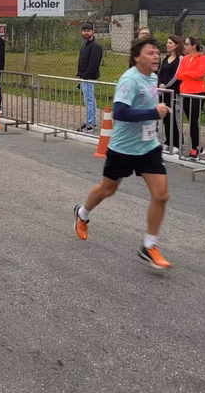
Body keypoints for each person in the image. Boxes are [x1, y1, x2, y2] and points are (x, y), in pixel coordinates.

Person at [73, 36, 173, 270]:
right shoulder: (129, 80)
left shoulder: (152, 77)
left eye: (157, 52)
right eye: (150, 52)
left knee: (161, 195)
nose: (156, 56)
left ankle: (149, 245)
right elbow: (119, 112)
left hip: (148, 146)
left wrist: (155, 112)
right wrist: (153, 113)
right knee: (108, 189)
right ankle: (82, 213)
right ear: (137, 57)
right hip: (124, 148)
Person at [175, 37, 205, 159]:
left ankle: (195, 148)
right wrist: (191, 74)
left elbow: (199, 73)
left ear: (194, 46)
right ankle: (197, 146)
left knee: (193, 120)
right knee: (191, 120)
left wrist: (187, 74)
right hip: (185, 92)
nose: (184, 46)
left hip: (198, 92)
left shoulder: (203, 58)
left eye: (187, 44)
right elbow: (178, 75)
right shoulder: (185, 58)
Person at [157, 35, 182, 151]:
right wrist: (160, 84)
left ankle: (177, 143)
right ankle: (168, 141)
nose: (167, 45)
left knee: (174, 118)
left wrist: (166, 85)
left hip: (174, 93)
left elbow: (176, 75)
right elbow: (160, 73)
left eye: (170, 43)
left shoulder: (180, 59)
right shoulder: (165, 58)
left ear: (176, 45)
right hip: (164, 93)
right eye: (167, 42)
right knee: (166, 117)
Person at [76, 22, 103, 133]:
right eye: (84, 31)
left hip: (89, 77)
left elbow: (93, 65)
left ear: (92, 32)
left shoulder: (95, 46)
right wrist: (79, 74)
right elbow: (81, 61)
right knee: (90, 99)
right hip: (83, 76)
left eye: (88, 30)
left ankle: (89, 124)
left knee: (89, 100)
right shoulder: (84, 45)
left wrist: (85, 76)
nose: (86, 33)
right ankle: (93, 121)